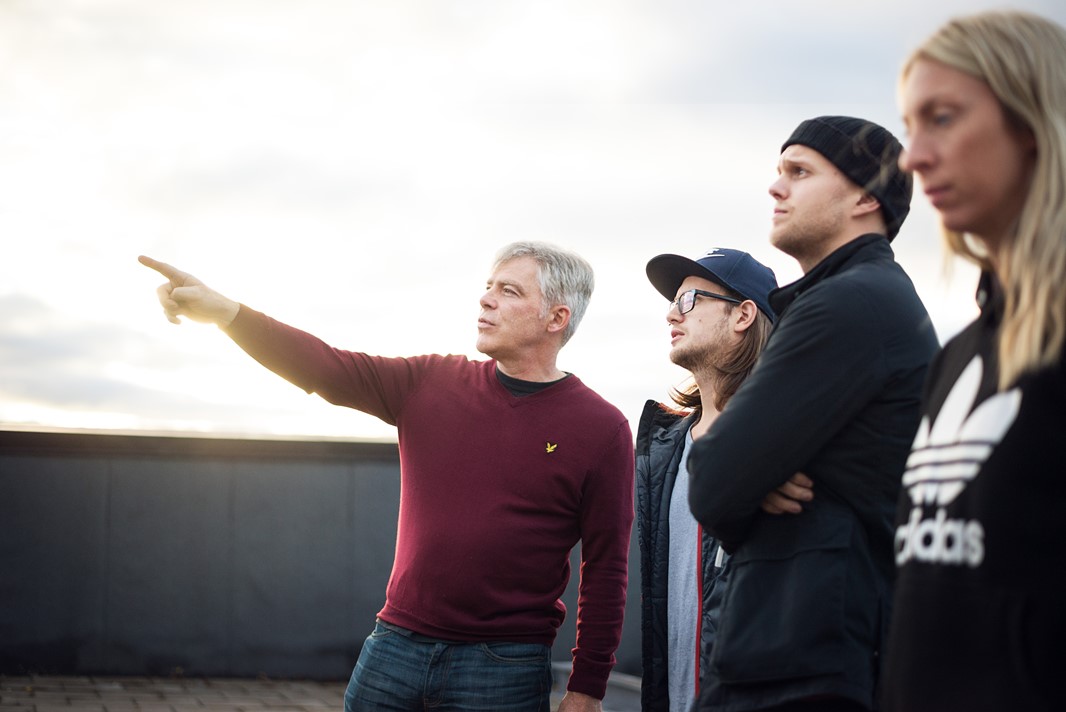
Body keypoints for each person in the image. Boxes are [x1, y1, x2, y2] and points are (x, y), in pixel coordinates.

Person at [139, 242, 635, 712]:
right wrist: (225, 311)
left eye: (509, 291)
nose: (485, 299)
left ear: (557, 317)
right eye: (488, 285)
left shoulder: (601, 428)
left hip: (502, 668)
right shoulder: (429, 382)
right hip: (393, 649)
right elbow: (325, 368)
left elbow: (607, 566)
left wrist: (586, 689)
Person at [686, 117, 939, 711]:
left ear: (866, 194)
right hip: (801, 649)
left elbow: (716, 474)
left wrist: (745, 474)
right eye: (778, 172)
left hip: (803, 663)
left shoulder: (850, 303)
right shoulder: (856, 297)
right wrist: (751, 473)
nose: (776, 188)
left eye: (799, 172)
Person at [883, 11, 1066, 711]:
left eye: (943, 118)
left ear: (1032, 122)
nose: (912, 156)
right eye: (910, 126)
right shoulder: (958, 354)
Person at [637, 248, 811, 712]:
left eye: (689, 299)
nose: (671, 313)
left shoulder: (795, 441)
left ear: (744, 314)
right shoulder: (663, 448)